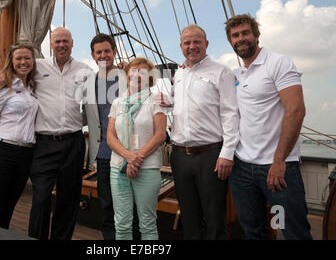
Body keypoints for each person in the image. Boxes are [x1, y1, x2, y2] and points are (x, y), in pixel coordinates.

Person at [225, 14, 312, 240]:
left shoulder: (278, 62)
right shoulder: (235, 75)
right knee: (253, 231)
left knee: (291, 230)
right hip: (242, 168)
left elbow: (296, 111)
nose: (241, 38)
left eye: (245, 33)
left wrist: (279, 160)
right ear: (230, 41)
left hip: (276, 169)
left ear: (256, 35)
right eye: (235, 35)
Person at [167, 24, 239, 239]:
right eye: (187, 43)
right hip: (180, 156)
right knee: (188, 217)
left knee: (214, 217)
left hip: (210, 156)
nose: (192, 46)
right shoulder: (179, 74)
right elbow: (179, 103)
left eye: (197, 42)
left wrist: (227, 153)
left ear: (206, 44)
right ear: (181, 46)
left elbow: (231, 113)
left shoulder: (221, 72)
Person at [28, 27, 91, 240]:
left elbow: (102, 92)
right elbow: (15, 76)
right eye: (57, 41)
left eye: (65, 41)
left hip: (73, 142)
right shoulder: (37, 67)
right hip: (44, 143)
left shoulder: (85, 70)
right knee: (41, 198)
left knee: (68, 200)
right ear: (51, 45)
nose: (61, 45)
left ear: (72, 44)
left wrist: (122, 70)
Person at [107, 57, 167, 240]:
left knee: (147, 224)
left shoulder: (156, 100)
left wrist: (137, 158)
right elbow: (110, 136)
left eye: (142, 72)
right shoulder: (118, 103)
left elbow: (160, 135)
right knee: (122, 224)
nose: (137, 75)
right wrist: (128, 156)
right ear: (126, 76)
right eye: (133, 71)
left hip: (147, 168)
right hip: (118, 168)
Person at [0, 43, 38, 230]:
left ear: (33, 61)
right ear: (11, 62)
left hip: (25, 154)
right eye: (18, 58)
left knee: (9, 206)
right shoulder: (3, 84)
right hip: (2, 149)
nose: (23, 62)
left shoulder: (32, 87)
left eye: (27, 58)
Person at [82, 33, 126, 240]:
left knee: (128, 205)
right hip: (103, 154)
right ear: (93, 55)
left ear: (114, 52)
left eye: (107, 51)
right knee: (107, 205)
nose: (103, 55)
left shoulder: (129, 76)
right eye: (98, 52)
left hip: (127, 152)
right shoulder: (88, 83)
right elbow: (82, 113)